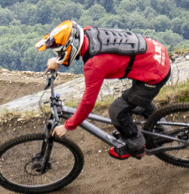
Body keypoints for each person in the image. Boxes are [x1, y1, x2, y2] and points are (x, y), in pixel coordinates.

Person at [37, 21, 172, 159]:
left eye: (59, 50)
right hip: (155, 53)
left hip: (155, 72)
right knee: (135, 100)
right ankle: (162, 126)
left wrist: (68, 126)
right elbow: (72, 46)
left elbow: (88, 103)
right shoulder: (88, 33)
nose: (59, 53)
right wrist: (58, 60)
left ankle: (136, 147)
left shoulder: (94, 65)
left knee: (117, 110)